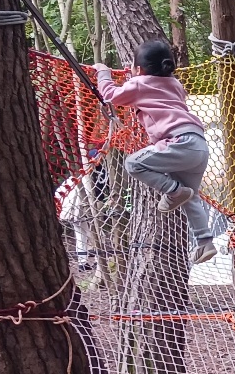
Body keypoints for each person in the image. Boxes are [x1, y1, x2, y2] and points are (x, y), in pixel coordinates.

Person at [93, 41, 217, 264]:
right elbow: (151, 91)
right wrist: (132, 77)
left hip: (178, 142)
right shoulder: (175, 84)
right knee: (192, 196)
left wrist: (103, 73)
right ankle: (205, 242)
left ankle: (174, 191)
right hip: (198, 145)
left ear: (138, 69)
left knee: (133, 163)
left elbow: (110, 95)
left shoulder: (139, 84)